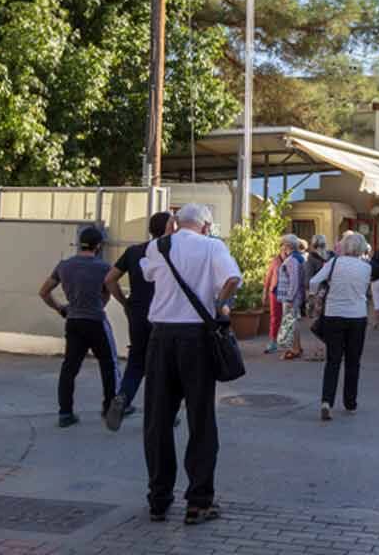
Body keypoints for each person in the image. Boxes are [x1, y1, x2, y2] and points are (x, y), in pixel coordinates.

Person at [141, 203, 241, 525]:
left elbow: (148, 273)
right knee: (201, 419)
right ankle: (198, 502)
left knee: (158, 419)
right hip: (196, 339)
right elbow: (232, 279)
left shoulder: (158, 246)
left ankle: (158, 499)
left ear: (175, 223)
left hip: (161, 338)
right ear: (207, 226)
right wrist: (219, 305)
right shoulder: (213, 246)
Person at [38, 225, 117, 429]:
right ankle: (109, 408)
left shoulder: (64, 266)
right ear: (98, 246)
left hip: (73, 321)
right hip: (96, 322)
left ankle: (65, 413)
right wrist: (100, 305)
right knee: (108, 365)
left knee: (69, 369)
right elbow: (108, 293)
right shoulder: (103, 268)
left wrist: (60, 309)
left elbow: (44, 291)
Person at [103, 210, 174, 431]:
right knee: (165, 365)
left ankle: (123, 397)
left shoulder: (134, 252)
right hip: (163, 315)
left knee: (136, 361)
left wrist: (125, 303)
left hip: (137, 313)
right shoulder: (172, 251)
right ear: (169, 228)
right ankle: (163, 415)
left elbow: (109, 279)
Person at [310, 232, 372, 421]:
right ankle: (350, 402)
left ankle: (326, 401)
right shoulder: (366, 267)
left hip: (333, 314)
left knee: (333, 360)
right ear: (361, 248)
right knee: (353, 361)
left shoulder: (334, 263)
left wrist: (317, 297)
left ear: (344, 246)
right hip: (357, 315)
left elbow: (313, 282)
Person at [274, 235, 305, 360]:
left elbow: (294, 280)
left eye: (283, 244)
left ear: (287, 245)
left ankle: (294, 349)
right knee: (293, 321)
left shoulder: (292, 260)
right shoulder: (298, 258)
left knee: (290, 322)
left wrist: (290, 297)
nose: (282, 247)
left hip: (291, 296)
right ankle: (297, 347)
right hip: (294, 296)